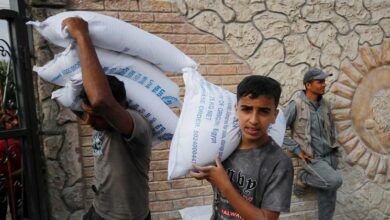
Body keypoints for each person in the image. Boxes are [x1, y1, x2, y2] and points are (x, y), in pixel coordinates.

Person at [62, 17, 153, 220]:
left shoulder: (136, 125)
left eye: (95, 116)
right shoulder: (102, 122)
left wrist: (82, 35)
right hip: (100, 209)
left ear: (120, 107)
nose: (89, 122)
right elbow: (85, 105)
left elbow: (102, 101)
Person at [190, 76, 294, 220]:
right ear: (236, 110)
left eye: (264, 111)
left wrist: (224, 185)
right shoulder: (223, 147)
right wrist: (208, 174)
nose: (253, 120)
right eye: (246, 109)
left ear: (274, 116)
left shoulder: (279, 163)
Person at [283, 68, 342, 220]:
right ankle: (303, 178)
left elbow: (331, 130)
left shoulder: (325, 105)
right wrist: (296, 149)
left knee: (328, 202)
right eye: (320, 82)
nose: (324, 84)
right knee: (334, 181)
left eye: (324, 81)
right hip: (312, 158)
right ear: (308, 85)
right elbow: (276, 130)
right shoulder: (295, 105)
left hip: (329, 157)